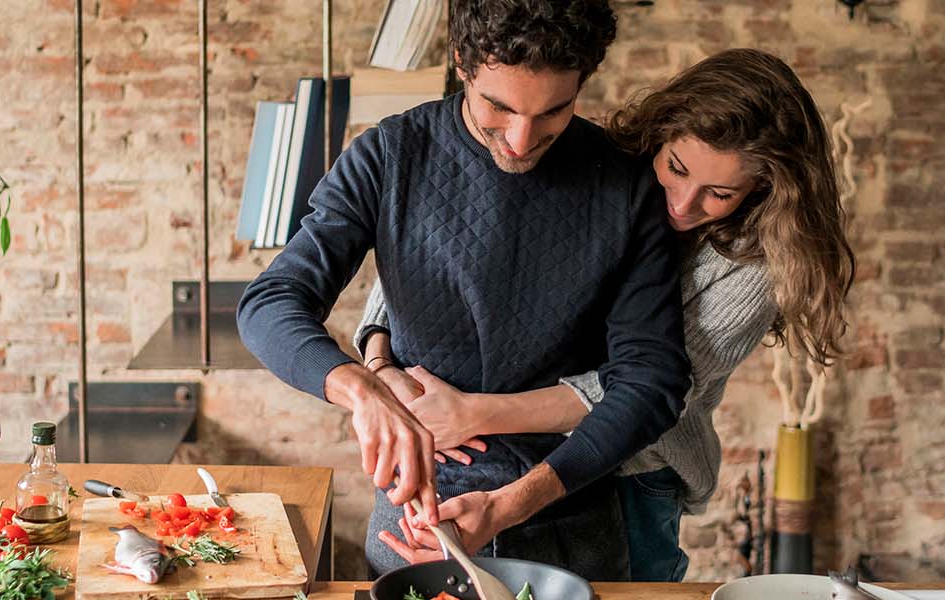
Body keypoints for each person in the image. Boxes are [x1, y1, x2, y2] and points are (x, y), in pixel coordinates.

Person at [236, 0, 693, 581]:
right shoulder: (388, 156)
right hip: (415, 523)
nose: (523, 140)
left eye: (554, 111)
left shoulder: (626, 186)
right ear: (462, 62)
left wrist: (509, 505)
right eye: (497, 108)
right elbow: (270, 302)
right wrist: (363, 389)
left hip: (570, 522)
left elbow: (652, 380)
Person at [363, 48, 857, 582]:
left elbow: (644, 391)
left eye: (719, 193)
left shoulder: (756, 269)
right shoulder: (597, 171)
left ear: (764, 190)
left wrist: (474, 413)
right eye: (676, 168)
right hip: (498, 446)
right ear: (661, 135)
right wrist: (379, 360)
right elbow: (432, 258)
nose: (682, 203)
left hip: (635, 473)